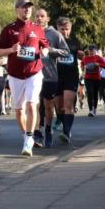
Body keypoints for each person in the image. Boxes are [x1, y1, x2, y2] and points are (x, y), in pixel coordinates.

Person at [0, 0, 50, 157]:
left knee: (32, 105)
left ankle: (29, 140)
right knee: (19, 111)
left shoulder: (37, 28)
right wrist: (11, 49)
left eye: (29, 7)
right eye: (24, 7)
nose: (27, 10)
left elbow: (45, 45)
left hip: (34, 72)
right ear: (17, 9)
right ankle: (25, 134)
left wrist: (45, 51)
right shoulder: (9, 30)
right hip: (15, 74)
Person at [34, 8, 67, 148]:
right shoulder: (31, 32)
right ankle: (36, 132)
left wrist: (51, 50)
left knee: (48, 106)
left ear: (47, 18)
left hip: (50, 76)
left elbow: (66, 52)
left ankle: (48, 130)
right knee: (34, 105)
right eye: (37, 16)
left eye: (42, 16)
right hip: (33, 75)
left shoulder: (54, 34)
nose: (39, 18)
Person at [54, 17, 83, 144]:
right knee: (59, 107)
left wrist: (82, 54)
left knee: (68, 105)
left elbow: (81, 54)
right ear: (57, 29)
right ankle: (61, 119)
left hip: (71, 76)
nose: (65, 32)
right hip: (55, 77)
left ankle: (66, 132)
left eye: (67, 29)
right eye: (62, 29)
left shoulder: (75, 42)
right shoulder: (53, 42)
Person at [81, 45, 105, 117]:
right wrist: (83, 68)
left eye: (92, 51)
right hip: (88, 78)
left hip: (96, 78)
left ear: (95, 51)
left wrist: (98, 64)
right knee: (89, 93)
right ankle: (90, 110)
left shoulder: (98, 58)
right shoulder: (85, 58)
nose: (91, 52)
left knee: (95, 94)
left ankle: (94, 108)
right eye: (90, 51)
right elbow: (82, 64)